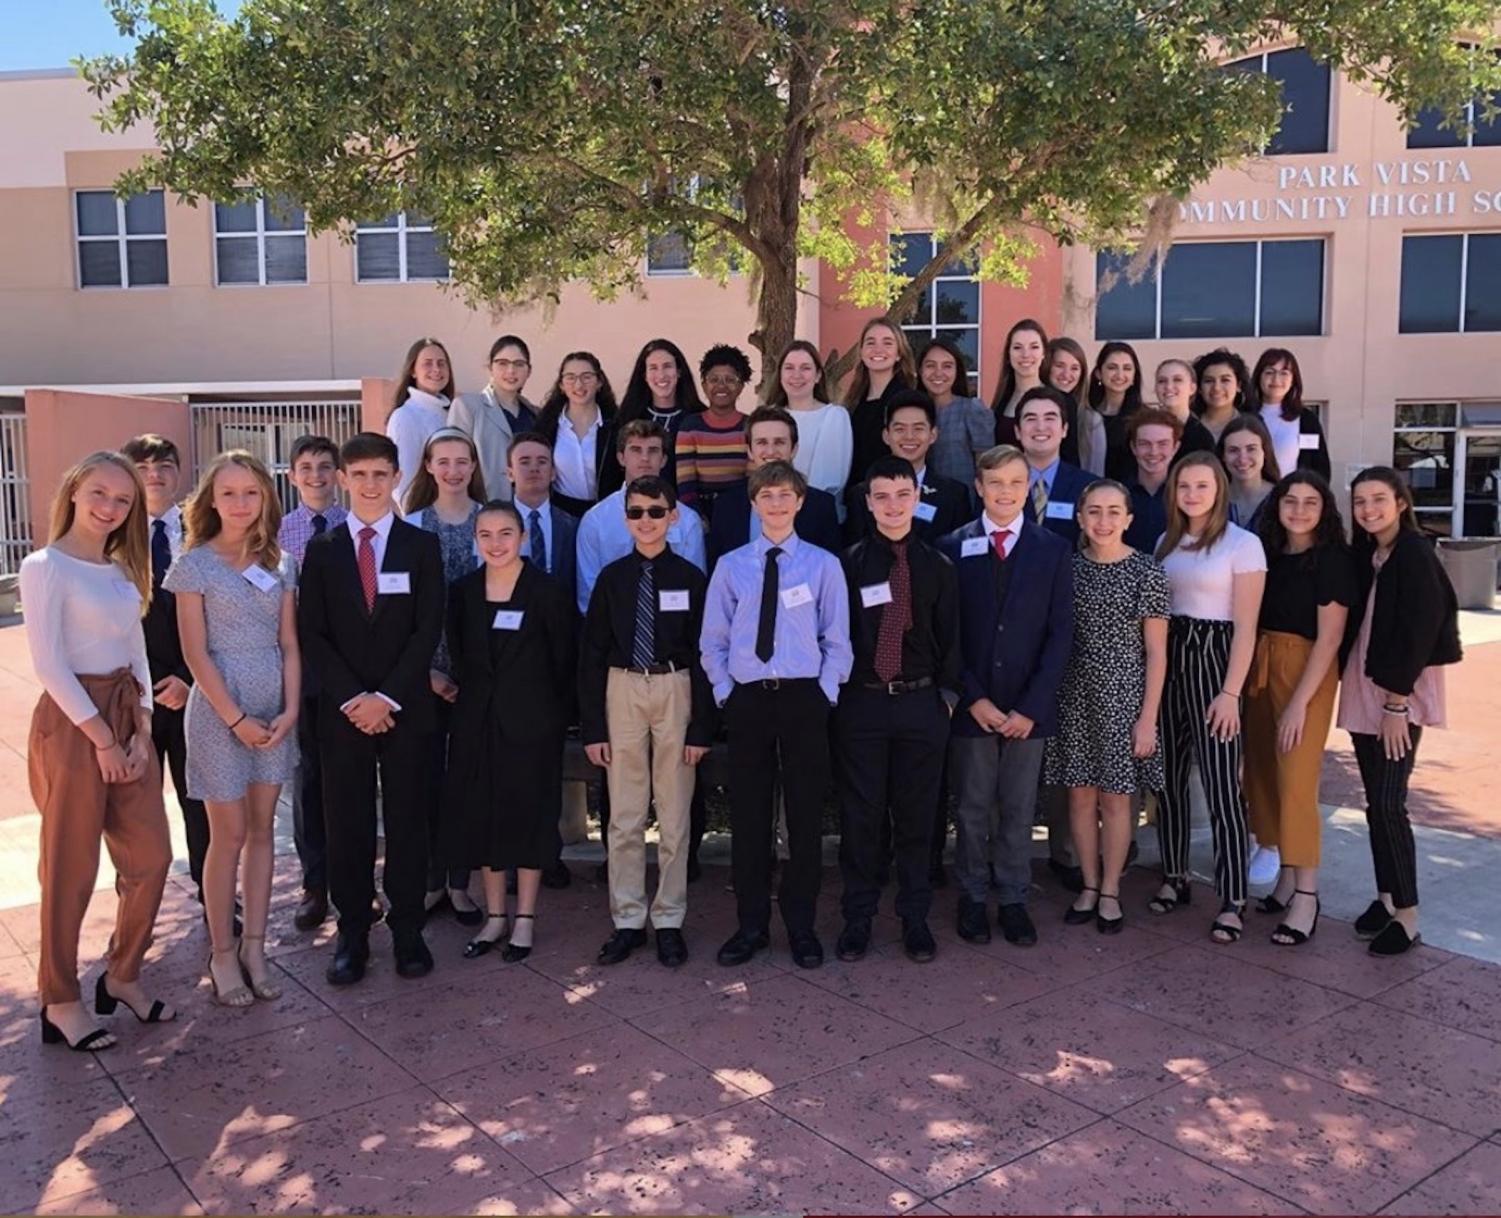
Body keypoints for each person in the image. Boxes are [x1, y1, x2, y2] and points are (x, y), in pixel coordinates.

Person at [23, 452, 174, 1051]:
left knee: (152, 858)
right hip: (72, 722)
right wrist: (103, 740)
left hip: (125, 709)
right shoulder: (45, 567)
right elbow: (48, 663)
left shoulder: (120, 569)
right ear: (74, 490)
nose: (110, 508)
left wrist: (140, 726)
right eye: (100, 494)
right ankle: (60, 999)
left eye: (123, 500)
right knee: (70, 867)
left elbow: (136, 648)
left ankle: (122, 973)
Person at [296, 432, 445, 986]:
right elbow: (311, 631)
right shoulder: (323, 550)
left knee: (408, 821)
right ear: (343, 479)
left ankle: (409, 931)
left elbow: (427, 628)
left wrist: (387, 696)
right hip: (342, 714)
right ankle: (352, 933)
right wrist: (355, 698)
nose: (369, 484)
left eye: (380, 474)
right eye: (358, 475)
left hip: (404, 709)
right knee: (347, 824)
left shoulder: (419, 547)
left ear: (397, 476)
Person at [701, 460, 853, 969]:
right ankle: (750, 926)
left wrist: (824, 693)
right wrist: (726, 691)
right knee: (749, 818)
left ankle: (802, 926)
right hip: (748, 701)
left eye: (785, 495)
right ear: (754, 503)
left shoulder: (822, 565)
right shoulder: (733, 565)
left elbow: (838, 638)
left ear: (800, 501)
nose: (776, 504)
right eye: (766, 496)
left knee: (805, 817)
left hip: (803, 699)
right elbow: (713, 639)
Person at [167, 451, 300, 1006]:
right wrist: (237, 720)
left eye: (251, 492)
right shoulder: (194, 564)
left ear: (265, 498)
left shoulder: (281, 562)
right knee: (229, 836)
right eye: (229, 493)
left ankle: (254, 947)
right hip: (222, 712)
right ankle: (222, 952)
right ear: (211, 500)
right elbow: (194, 654)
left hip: (275, 711)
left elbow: (290, 643)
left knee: (265, 831)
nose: (241, 504)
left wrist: (291, 709)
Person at [940, 445, 1073, 947]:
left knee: (1018, 807)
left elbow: (1060, 634)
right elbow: (947, 633)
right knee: (973, 805)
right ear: (979, 487)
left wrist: (1031, 709)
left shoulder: (1053, 549)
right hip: (975, 706)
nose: (1005, 492)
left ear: (1028, 488)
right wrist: (972, 698)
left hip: (1027, 710)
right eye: (995, 483)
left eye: (1016, 483)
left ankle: (1014, 896)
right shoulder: (952, 547)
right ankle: (973, 894)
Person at [580, 476, 714, 968]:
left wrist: (702, 727)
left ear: (673, 517)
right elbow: (591, 654)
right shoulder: (612, 579)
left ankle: (670, 918)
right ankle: (628, 918)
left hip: (675, 686)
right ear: (626, 518)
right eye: (636, 513)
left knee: (675, 814)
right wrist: (593, 727)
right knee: (626, 815)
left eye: (656, 512)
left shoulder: (692, 578)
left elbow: (705, 656)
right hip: (623, 687)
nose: (646, 521)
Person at [834, 456, 960, 964]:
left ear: (916, 498)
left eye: (901, 495)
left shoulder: (939, 567)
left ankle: (914, 918)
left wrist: (946, 701)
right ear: (868, 503)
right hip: (862, 704)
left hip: (921, 706)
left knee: (917, 819)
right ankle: (858, 919)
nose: (892, 505)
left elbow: (953, 640)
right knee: (860, 819)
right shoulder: (847, 565)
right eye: (881, 496)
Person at [443, 502, 576, 961]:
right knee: (484, 817)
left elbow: (564, 662)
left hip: (533, 725)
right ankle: (495, 916)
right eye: (485, 535)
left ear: (521, 537)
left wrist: (549, 717)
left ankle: (525, 919)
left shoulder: (548, 592)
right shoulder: (461, 592)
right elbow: (461, 657)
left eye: (505, 533)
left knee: (531, 817)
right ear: (475, 540)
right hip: (476, 723)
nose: (495, 544)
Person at [1337, 467, 1461, 957]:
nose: (1369, 509)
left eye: (1378, 499)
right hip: (1366, 684)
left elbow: (1420, 629)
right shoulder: (1370, 554)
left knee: (1389, 803)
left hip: (1396, 693)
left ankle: (1407, 917)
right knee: (1374, 801)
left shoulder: (1413, 553)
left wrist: (1396, 703)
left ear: (1401, 503)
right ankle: (1387, 899)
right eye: (1361, 501)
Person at [1044, 480, 1169, 934]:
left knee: (1117, 800)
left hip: (1123, 699)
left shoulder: (1147, 572)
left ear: (1129, 519)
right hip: (1073, 694)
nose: (1103, 520)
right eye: (1093, 511)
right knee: (1079, 795)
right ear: (1080, 518)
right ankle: (1089, 884)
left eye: (1114, 511)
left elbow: (1156, 652)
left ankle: (1112, 888)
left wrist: (1148, 717)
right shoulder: (1066, 568)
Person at [1152, 453, 1267, 944]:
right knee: (1169, 777)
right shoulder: (1166, 542)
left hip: (1215, 661)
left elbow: (1245, 628)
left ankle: (1233, 896)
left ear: (1219, 489)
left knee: (1221, 785)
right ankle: (1175, 874)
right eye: (1184, 486)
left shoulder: (1244, 545)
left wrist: (1229, 693)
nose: (1193, 494)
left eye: (1202, 485)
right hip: (1169, 658)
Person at [1246, 472, 1355, 947]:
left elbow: (1330, 638)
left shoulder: (1331, 559)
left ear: (1324, 508)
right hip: (1261, 661)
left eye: (1311, 502)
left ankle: (1308, 894)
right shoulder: (1268, 552)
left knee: (1295, 778)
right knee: (1263, 775)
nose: (1299, 510)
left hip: (1305, 667)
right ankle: (1287, 877)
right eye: (1291, 500)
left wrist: (1298, 705)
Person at [121, 436, 210, 920]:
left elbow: (216, 611)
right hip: (134, 696)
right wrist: (140, 689)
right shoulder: (113, 538)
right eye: (143, 465)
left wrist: (186, 678)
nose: (154, 474)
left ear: (179, 472)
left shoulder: (200, 531)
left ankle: (213, 895)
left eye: (164, 465)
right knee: (137, 810)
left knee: (200, 801)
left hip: (194, 689)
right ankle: (136, 908)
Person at [404, 428, 488, 927]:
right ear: (429, 467)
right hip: (424, 676)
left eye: (463, 461)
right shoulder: (412, 525)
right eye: (444, 461)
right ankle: (431, 880)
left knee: (468, 783)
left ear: (474, 466)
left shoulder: (493, 522)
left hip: (477, 676)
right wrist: (427, 672)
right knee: (425, 781)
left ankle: (460, 883)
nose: (454, 470)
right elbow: (402, 613)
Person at [278, 434, 348, 931]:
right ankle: (315, 883)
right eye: (307, 468)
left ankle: (353, 885)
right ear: (292, 476)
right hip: (302, 669)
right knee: (309, 782)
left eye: (326, 467)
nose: (317, 476)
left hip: (352, 669)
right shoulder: (277, 534)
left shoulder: (355, 526)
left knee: (353, 780)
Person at [577, 420, 707, 614]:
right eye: (636, 450)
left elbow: (695, 589)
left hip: (674, 629)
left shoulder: (687, 520)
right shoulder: (595, 520)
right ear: (621, 458)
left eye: (653, 450)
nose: (645, 458)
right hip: (613, 631)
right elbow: (589, 592)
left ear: (663, 459)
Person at [709, 406, 842, 564]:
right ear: (750, 451)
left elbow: (831, 569)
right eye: (762, 442)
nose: (771, 451)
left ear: (794, 449)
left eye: (779, 442)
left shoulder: (821, 505)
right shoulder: (726, 506)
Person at [843, 390, 970, 543]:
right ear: (886, 436)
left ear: (933, 435)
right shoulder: (860, 495)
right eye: (900, 429)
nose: (909, 436)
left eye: (918, 429)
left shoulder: (954, 495)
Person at [448, 335, 539, 502]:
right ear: (490, 367)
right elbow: (455, 464)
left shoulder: (535, 414)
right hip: (485, 509)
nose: (511, 371)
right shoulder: (468, 407)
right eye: (502, 363)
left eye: (519, 364)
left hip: (527, 510)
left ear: (529, 371)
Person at [609, 338, 706, 492]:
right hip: (636, 509)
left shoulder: (698, 418)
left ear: (679, 371)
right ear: (644, 375)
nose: (661, 375)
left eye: (667, 366)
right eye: (653, 368)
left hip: (684, 509)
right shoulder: (627, 417)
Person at [772, 340, 854, 509]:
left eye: (805, 368)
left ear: (818, 376)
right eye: (789, 368)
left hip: (816, 513)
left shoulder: (834, 417)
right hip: (772, 512)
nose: (797, 375)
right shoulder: (769, 417)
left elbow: (830, 479)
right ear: (780, 374)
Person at [535, 351, 618, 518]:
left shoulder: (616, 426)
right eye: (570, 377)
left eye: (586, 377)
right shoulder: (546, 426)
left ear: (599, 382)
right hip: (561, 514)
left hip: (607, 514)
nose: (578, 385)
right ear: (561, 385)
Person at [675, 344, 752, 519]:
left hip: (740, 512)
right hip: (700, 514)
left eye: (730, 380)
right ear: (703, 385)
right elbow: (685, 483)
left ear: (741, 387)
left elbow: (752, 481)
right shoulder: (690, 427)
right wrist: (696, 518)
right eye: (714, 379)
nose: (721, 386)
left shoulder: (751, 426)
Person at [506, 431, 579, 610]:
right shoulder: (493, 524)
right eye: (524, 462)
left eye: (542, 461)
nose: (534, 468)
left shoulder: (573, 526)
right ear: (510, 474)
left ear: (553, 473)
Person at [1015, 387, 1095, 546]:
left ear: (1064, 429)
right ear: (1017, 431)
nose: (1040, 427)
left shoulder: (1089, 487)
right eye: (1031, 418)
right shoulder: (995, 486)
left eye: (1050, 418)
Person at [385, 337, 456, 513]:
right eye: (428, 363)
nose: (436, 369)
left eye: (441, 363)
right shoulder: (405, 416)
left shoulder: (452, 413)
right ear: (413, 371)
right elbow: (404, 482)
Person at [843, 319, 916, 484]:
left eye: (887, 343)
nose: (878, 349)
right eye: (870, 342)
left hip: (893, 493)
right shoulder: (852, 402)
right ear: (861, 351)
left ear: (899, 354)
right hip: (856, 495)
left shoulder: (908, 400)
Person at [917, 337, 993, 486]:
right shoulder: (912, 412)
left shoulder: (972, 410)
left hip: (963, 502)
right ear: (920, 370)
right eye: (930, 365)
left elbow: (986, 467)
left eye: (947, 366)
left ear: (957, 371)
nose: (938, 373)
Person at [1252, 349, 1332, 481]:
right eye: (1269, 372)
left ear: (1293, 379)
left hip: (1292, 498)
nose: (1276, 379)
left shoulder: (1307, 419)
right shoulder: (1244, 415)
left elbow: (1320, 466)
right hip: (1251, 499)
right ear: (1258, 377)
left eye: (1284, 373)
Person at [1043, 336, 1106, 474]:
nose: (1066, 374)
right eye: (1059, 366)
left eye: (1075, 368)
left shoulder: (1092, 420)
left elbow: (1096, 475)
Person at [1089, 341, 1145, 481]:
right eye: (1112, 367)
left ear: (1134, 376)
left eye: (1127, 368)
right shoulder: (1085, 415)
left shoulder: (1144, 417)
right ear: (1098, 373)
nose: (1120, 375)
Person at [989, 319, 1048, 448]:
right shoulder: (1001, 402)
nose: (1025, 354)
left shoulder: (1062, 401)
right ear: (1008, 355)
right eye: (1017, 347)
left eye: (1034, 347)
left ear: (1043, 353)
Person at [1219, 413, 1283, 532]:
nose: (1242, 459)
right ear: (1223, 456)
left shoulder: (1282, 498)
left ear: (1265, 452)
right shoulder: (1213, 499)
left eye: (1251, 449)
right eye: (1233, 450)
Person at [1154, 359, 1217, 458]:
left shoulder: (1202, 438)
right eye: (1162, 381)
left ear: (1192, 388)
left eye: (1177, 380)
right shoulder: (1144, 429)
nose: (1169, 387)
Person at [1192, 348, 1251, 444]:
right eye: (1209, 381)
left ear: (1238, 386)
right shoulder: (1188, 426)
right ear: (1199, 388)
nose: (1216, 388)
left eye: (1225, 380)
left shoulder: (1251, 426)